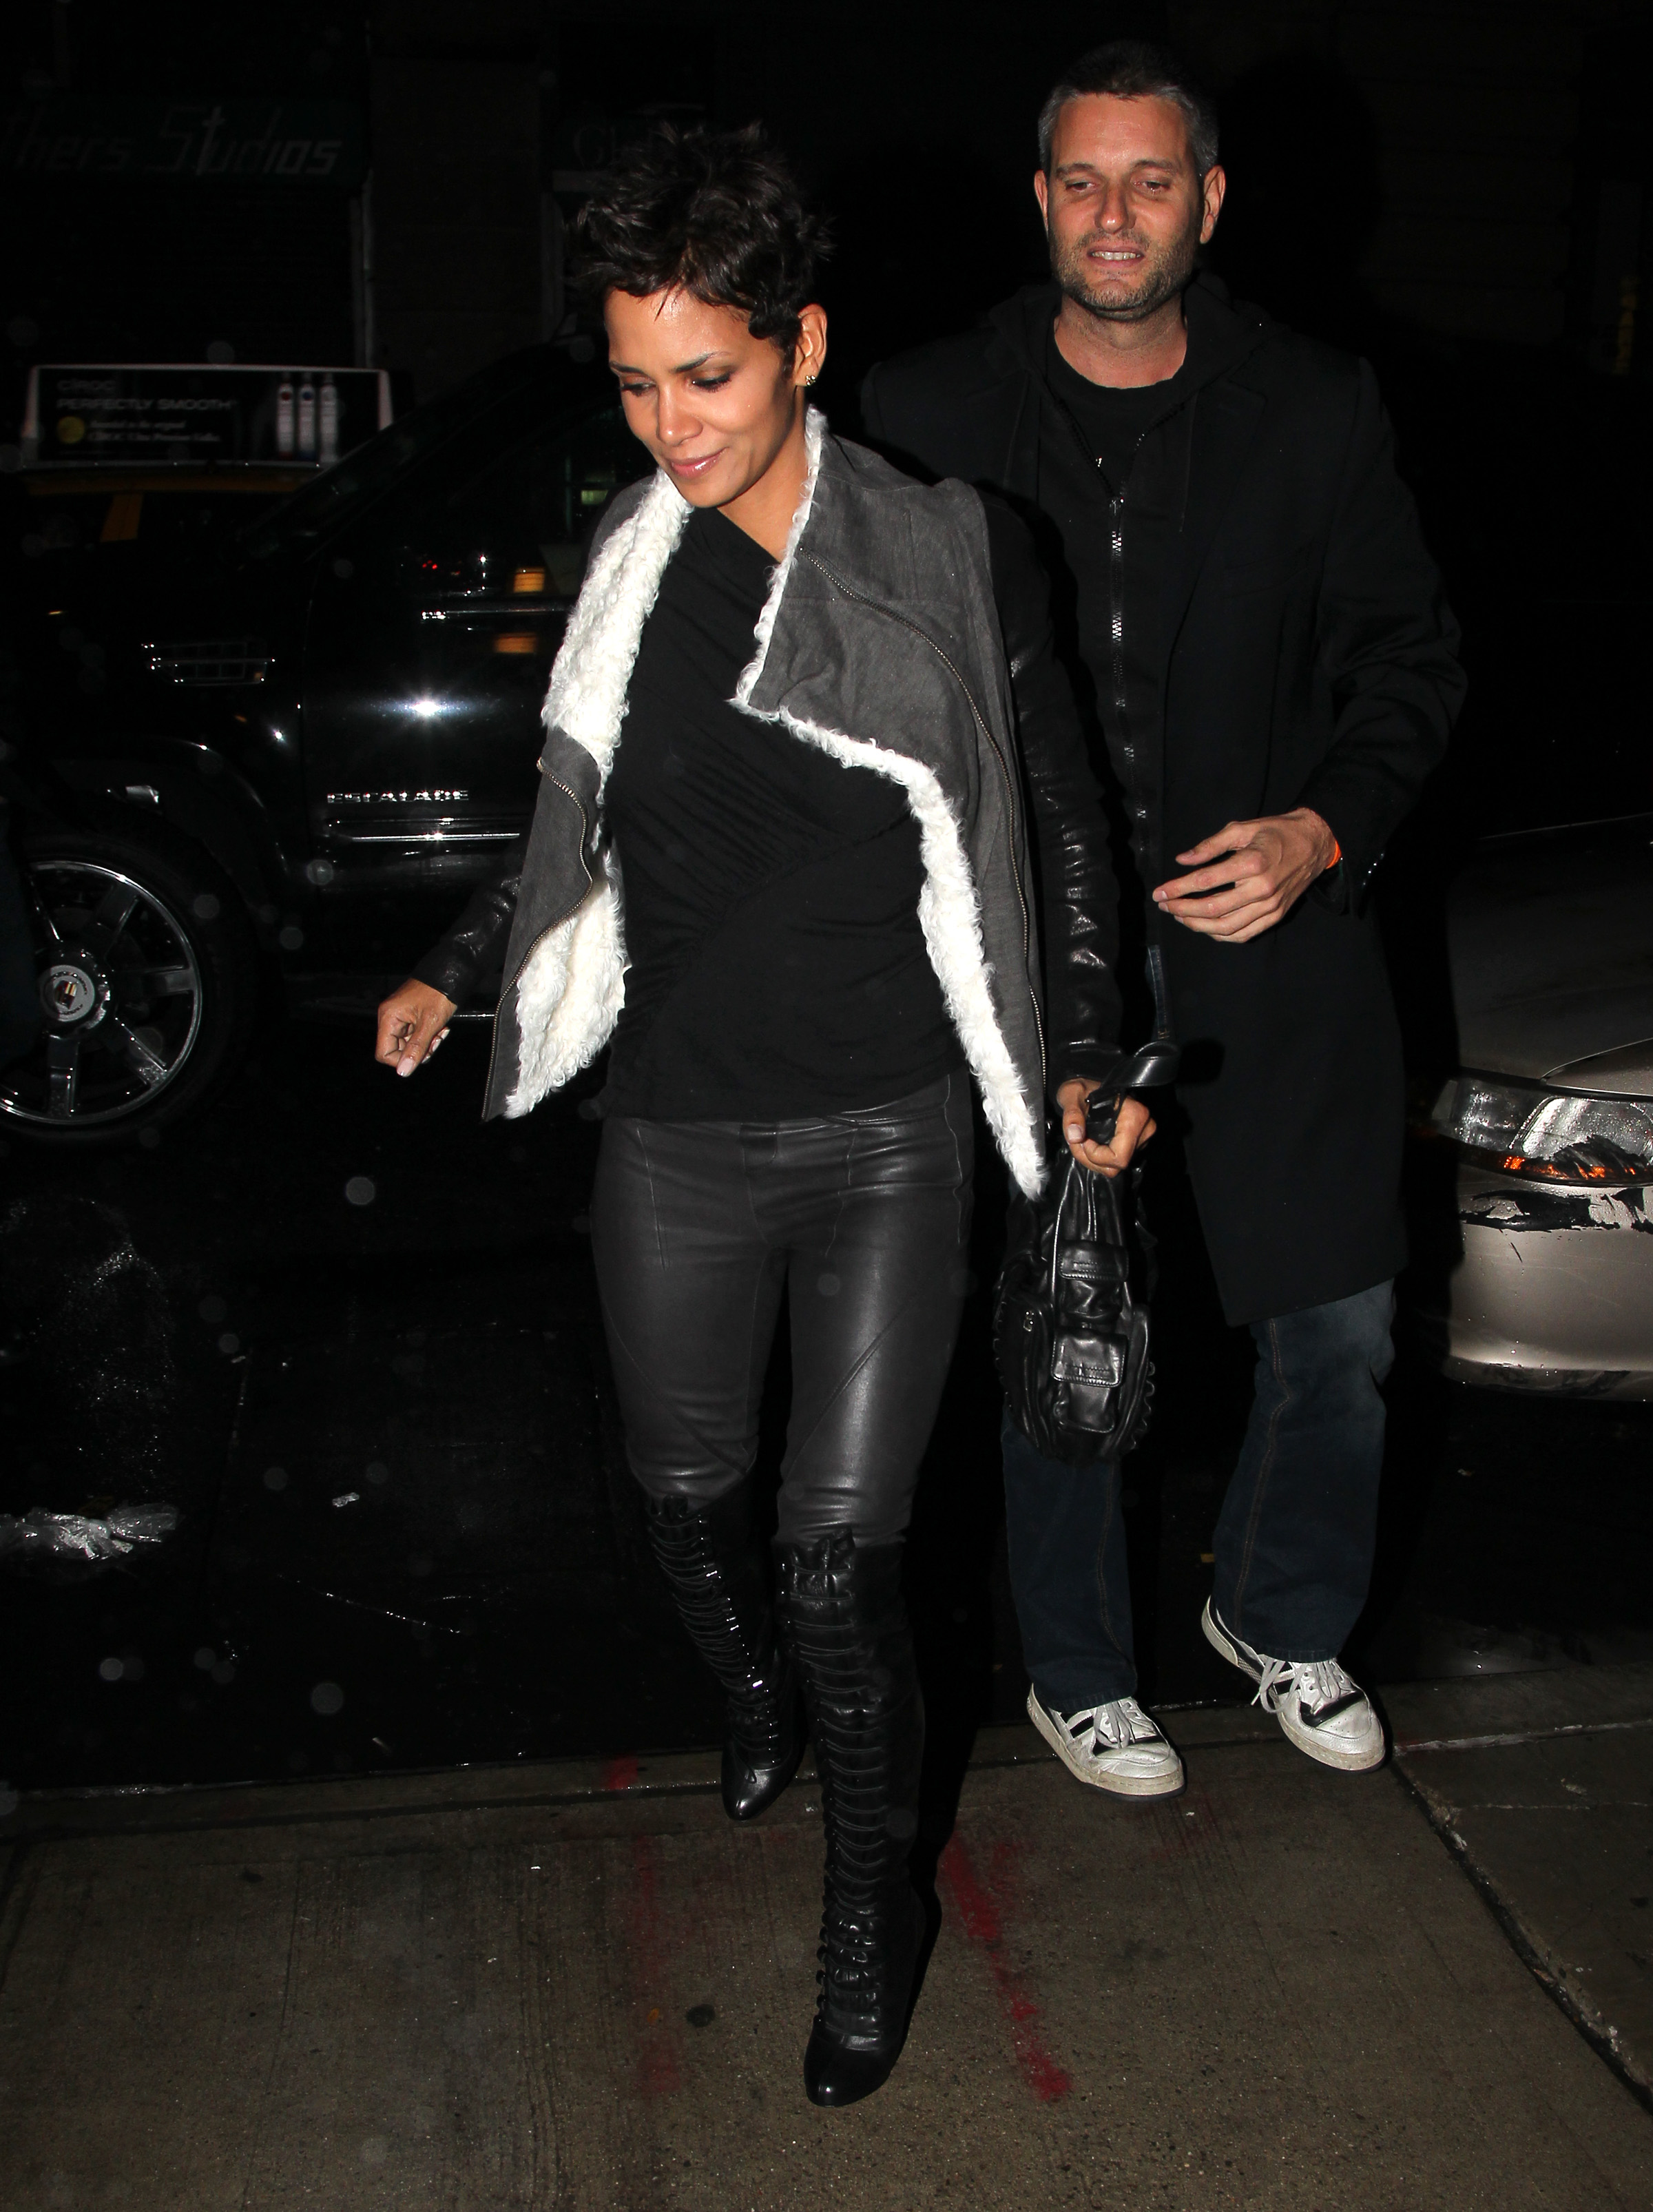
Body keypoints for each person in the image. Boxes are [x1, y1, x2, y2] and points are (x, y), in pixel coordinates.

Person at [375, 126, 1128, 2107]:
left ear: (803, 342)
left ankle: (872, 1910)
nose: (670, 424)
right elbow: (577, 824)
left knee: (836, 1567)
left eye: (705, 374)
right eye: (635, 383)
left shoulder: (949, 549)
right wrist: (457, 964)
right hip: (677, 1136)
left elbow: (1056, 814)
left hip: (890, 1134)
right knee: (684, 1510)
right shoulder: (631, 570)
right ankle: (758, 1701)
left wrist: (1084, 1050)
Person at [862, 42, 1465, 1792]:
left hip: (1275, 939)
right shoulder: (928, 409)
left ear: (1208, 201)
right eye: (1081, 181)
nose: (1112, 215)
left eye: (1148, 181)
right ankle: (1076, 1666)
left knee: (1339, 1327)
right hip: (1042, 950)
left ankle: (1282, 1614)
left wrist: (1319, 830)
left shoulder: (1318, 406)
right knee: (1071, 1313)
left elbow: (1412, 663)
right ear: (1041, 201)